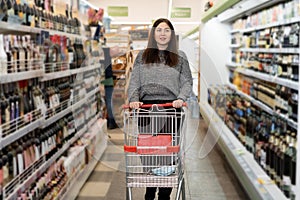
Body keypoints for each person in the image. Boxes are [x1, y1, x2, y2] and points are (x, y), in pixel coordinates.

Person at [127, 18, 193, 200]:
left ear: (171, 34)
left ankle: (164, 194)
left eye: (166, 30)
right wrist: (133, 100)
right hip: (147, 110)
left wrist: (180, 98)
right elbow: (134, 82)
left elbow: (187, 81)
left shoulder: (180, 56)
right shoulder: (142, 56)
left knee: (168, 153)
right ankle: (150, 190)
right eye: (159, 30)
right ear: (153, 34)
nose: (162, 34)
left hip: (171, 109)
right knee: (149, 152)